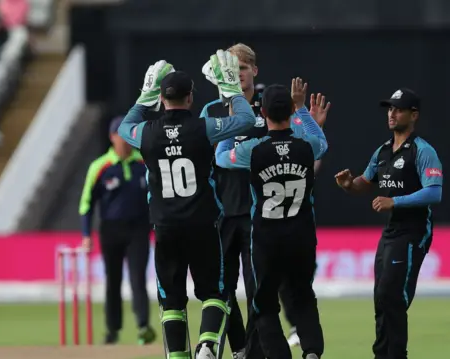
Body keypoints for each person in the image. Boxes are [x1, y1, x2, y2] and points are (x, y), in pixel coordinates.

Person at [117, 52, 256, 359]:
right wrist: (232, 89)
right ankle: (207, 344)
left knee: (171, 302)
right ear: (190, 97)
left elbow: (125, 127)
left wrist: (144, 98)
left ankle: (178, 356)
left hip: (165, 226)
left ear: (162, 99)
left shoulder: (147, 133)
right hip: (203, 223)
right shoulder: (203, 128)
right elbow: (246, 120)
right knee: (215, 292)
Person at [201, 43, 330, 357]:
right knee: (222, 290)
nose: (238, 75)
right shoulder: (211, 111)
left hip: (258, 217)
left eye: (242, 69)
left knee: (258, 291)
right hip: (223, 212)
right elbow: (207, 161)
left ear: (254, 71)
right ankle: (238, 348)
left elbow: (226, 156)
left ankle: (255, 353)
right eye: (231, 69)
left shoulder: (268, 107)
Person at [334, 88, 443, 359]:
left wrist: (396, 202)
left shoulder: (422, 150)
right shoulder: (383, 151)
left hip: (413, 232)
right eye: (389, 109)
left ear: (413, 115)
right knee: (382, 299)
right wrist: (350, 184)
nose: (392, 114)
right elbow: (365, 182)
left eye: (398, 109)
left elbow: (434, 192)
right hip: (391, 233)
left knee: (392, 297)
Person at [78, 116, 155, 345]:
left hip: (139, 230)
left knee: (138, 279)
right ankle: (112, 330)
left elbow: (157, 196)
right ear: (112, 137)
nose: (126, 140)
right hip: (111, 230)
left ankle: (143, 326)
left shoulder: (143, 163)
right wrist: (85, 235)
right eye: (121, 135)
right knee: (113, 282)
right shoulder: (100, 166)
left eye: (129, 135)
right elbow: (86, 204)